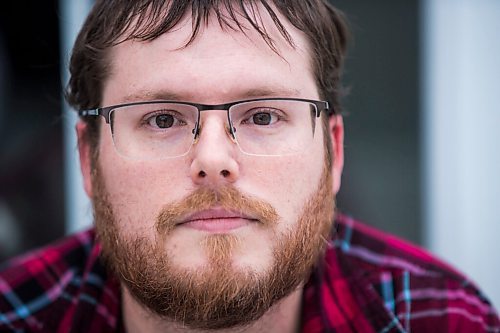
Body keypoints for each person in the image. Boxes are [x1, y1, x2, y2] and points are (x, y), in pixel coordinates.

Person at [0, 0, 498, 332]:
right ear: (89, 160)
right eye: (161, 119)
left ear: (334, 152)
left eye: (263, 115)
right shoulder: (17, 313)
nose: (213, 160)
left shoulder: (442, 318)